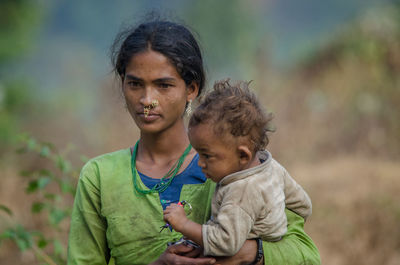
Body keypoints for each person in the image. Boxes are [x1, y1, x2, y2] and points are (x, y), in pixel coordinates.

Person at [67, 19, 321, 265]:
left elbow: (306, 255)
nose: (147, 100)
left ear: (191, 89)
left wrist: (247, 253)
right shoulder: (100, 177)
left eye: (163, 85)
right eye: (134, 84)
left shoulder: (235, 165)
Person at [163, 79, 313, 261]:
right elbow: (303, 205)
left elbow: (225, 243)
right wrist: (272, 219)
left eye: (207, 156)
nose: (200, 163)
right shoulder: (271, 167)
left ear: (243, 156)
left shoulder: (240, 192)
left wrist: (184, 224)